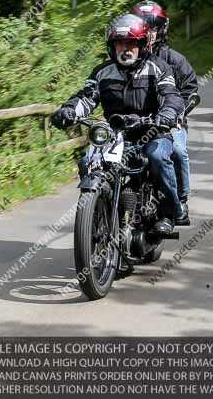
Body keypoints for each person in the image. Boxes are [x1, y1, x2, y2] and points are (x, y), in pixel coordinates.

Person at [51, 14, 185, 236]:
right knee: (87, 160)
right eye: (121, 43)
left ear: (143, 45)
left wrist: (166, 114)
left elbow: (171, 95)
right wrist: (68, 111)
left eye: (132, 43)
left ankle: (167, 212)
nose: (126, 48)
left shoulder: (159, 68)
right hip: (115, 135)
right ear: (113, 46)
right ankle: (99, 210)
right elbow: (86, 98)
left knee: (158, 157)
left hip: (152, 131)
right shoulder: (102, 71)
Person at [130, 0, 197, 224]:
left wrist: (177, 115)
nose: (149, 31)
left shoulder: (175, 60)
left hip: (170, 122)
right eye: (143, 25)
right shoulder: (128, 58)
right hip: (138, 122)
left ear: (163, 28)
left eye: (154, 26)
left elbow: (189, 90)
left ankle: (180, 199)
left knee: (176, 150)